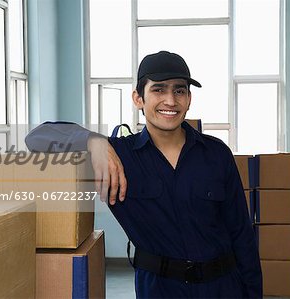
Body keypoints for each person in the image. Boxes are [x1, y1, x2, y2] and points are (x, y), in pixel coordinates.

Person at [26, 51, 262, 298]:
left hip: (223, 287)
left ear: (189, 98)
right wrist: (92, 141)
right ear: (138, 98)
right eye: (159, 90)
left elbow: (242, 236)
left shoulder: (216, 154)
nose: (170, 101)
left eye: (179, 90)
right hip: (160, 289)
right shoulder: (118, 157)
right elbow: (36, 138)